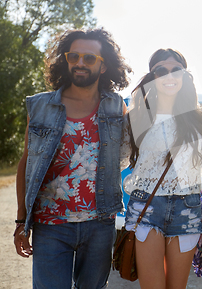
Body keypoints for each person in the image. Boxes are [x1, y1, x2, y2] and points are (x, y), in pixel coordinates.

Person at [13, 28, 131, 288]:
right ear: (65, 61)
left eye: (89, 58)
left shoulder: (115, 106)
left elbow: (131, 154)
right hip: (50, 224)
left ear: (103, 66)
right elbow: (26, 164)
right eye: (73, 56)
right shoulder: (41, 107)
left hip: (100, 224)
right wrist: (22, 221)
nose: (80, 62)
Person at [123, 48, 202, 289]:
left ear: (184, 76)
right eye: (161, 70)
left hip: (187, 207)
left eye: (176, 70)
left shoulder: (196, 118)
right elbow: (120, 157)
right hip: (147, 206)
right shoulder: (137, 116)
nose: (169, 76)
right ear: (152, 76)